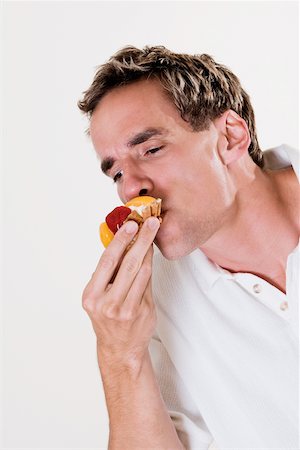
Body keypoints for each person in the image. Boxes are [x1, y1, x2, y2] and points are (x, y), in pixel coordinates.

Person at [78, 46, 299, 449]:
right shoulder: (150, 304)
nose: (131, 188)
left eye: (151, 149)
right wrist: (120, 356)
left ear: (230, 136)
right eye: (117, 172)